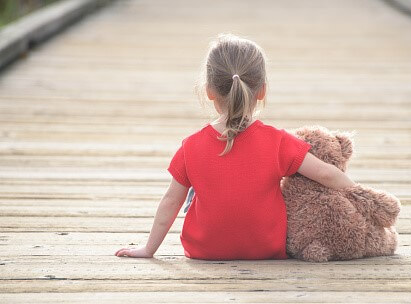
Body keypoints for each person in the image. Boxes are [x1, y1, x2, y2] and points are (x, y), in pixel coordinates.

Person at [115, 33, 356, 260]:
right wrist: (362, 197)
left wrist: (148, 249)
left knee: (192, 189)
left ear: (209, 91)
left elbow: (170, 202)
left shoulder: (191, 146)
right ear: (261, 91)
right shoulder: (277, 141)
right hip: (267, 248)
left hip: (204, 250)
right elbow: (326, 174)